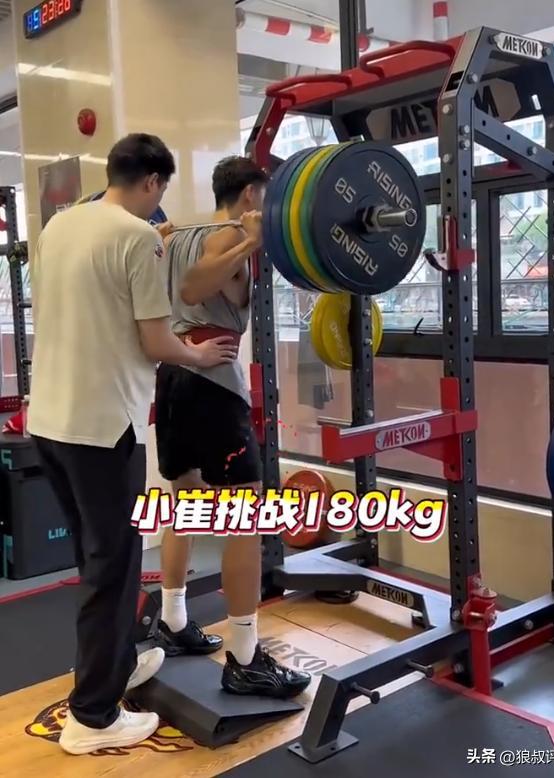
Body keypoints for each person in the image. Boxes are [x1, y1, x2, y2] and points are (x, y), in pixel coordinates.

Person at [27, 133, 238, 755]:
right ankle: (93, 717)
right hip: (101, 429)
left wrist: (151, 242)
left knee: (96, 562)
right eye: (159, 191)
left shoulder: (61, 226)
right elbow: (155, 341)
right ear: (151, 182)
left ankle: (114, 663)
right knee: (114, 568)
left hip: (50, 422)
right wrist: (197, 354)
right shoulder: (138, 237)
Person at [154, 156, 311, 698]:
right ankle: (245, 658)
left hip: (173, 376)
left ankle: (173, 620)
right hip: (211, 381)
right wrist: (252, 242)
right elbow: (194, 289)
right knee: (246, 517)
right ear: (249, 194)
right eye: (264, 196)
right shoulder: (228, 236)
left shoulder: (175, 235)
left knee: (184, 502)